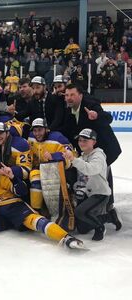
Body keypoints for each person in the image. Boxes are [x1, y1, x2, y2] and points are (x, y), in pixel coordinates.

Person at [0, 151, 85, 251]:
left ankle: (66, 237)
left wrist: (12, 177)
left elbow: (21, 191)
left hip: (12, 206)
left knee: (35, 221)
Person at [61, 83, 122, 229]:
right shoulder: (68, 109)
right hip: (88, 149)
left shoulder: (90, 104)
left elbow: (108, 118)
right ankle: (104, 209)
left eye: (72, 95)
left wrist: (97, 116)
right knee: (95, 175)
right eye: (67, 95)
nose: (69, 98)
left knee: (102, 174)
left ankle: (108, 208)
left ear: (80, 95)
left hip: (106, 148)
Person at [63, 129, 111, 241]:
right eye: (80, 140)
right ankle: (109, 216)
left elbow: (91, 169)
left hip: (100, 193)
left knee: (79, 212)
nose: (81, 143)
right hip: (88, 193)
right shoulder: (83, 156)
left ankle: (100, 227)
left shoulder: (99, 156)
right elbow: (74, 165)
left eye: (85, 140)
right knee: (82, 229)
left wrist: (73, 159)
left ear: (93, 142)